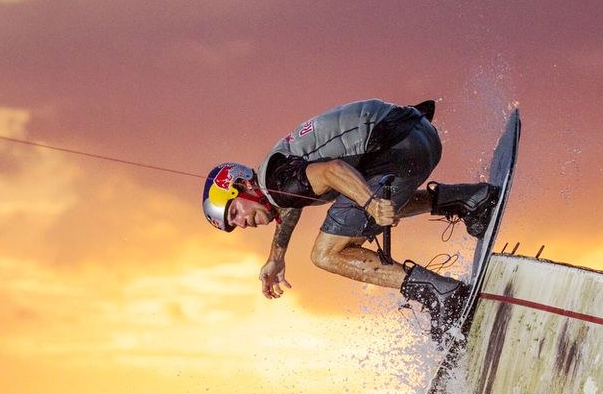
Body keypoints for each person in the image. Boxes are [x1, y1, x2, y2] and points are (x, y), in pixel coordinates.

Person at [200, 98, 496, 330]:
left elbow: (332, 171)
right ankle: (469, 199)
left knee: (326, 253)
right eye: (232, 224)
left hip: (399, 149)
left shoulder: (277, 184)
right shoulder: (277, 175)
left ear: (242, 185)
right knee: (360, 201)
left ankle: (442, 295)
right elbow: (293, 204)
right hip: (417, 136)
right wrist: (277, 256)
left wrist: (370, 202)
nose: (240, 223)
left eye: (234, 211)